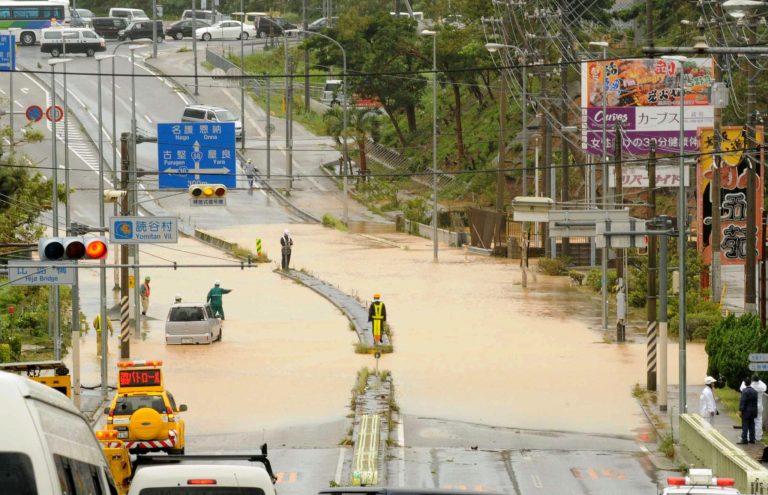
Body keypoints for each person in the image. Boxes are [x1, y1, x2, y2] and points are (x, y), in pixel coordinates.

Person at [741, 375, 767, 441]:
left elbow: (742, 388)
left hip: (750, 406)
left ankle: (748, 436)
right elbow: (765, 386)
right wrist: (758, 380)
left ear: (752, 380)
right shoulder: (762, 386)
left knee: (749, 421)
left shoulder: (750, 385)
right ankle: (758, 437)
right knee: (759, 421)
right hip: (759, 406)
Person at [739, 376, 759, 444]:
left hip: (746, 411)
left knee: (745, 425)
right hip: (753, 411)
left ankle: (744, 439)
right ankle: (752, 439)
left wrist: (740, 410)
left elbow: (743, 401)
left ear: (744, 383)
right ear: (750, 383)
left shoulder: (744, 391)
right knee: (752, 425)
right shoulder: (755, 391)